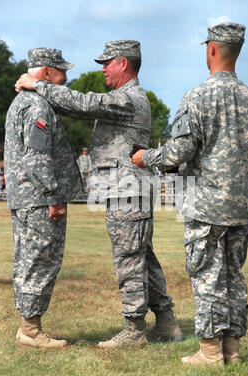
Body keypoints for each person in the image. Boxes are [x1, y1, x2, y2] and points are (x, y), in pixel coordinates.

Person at [16, 40, 182, 348]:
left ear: (124, 64)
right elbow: (81, 105)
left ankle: (134, 331)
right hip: (124, 190)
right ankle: (167, 322)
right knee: (142, 257)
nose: (102, 68)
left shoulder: (129, 97)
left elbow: (83, 103)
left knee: (129, 259)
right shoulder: (125, 97)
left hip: (127, 191)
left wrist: (38, 84)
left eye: (107, 63)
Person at [133, 22, 248, 365]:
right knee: (233, 277)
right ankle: (232, 351)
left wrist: (144, 157)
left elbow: (177, 153)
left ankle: (211, 352)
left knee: (208, 277)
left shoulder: (197, 96)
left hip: (207, 207)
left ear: (211, 50)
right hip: (242, 208)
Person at [6, 48, 83, 350]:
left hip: (26, 198)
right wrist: (54, 196)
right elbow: (36, 157)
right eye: (62, 72)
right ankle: (30, 330)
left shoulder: (21, 102)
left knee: (28, 260)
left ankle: (28, 327)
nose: (65, 78)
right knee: (40, 261)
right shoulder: (37, 106)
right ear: (47, 73)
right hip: (38, 200)